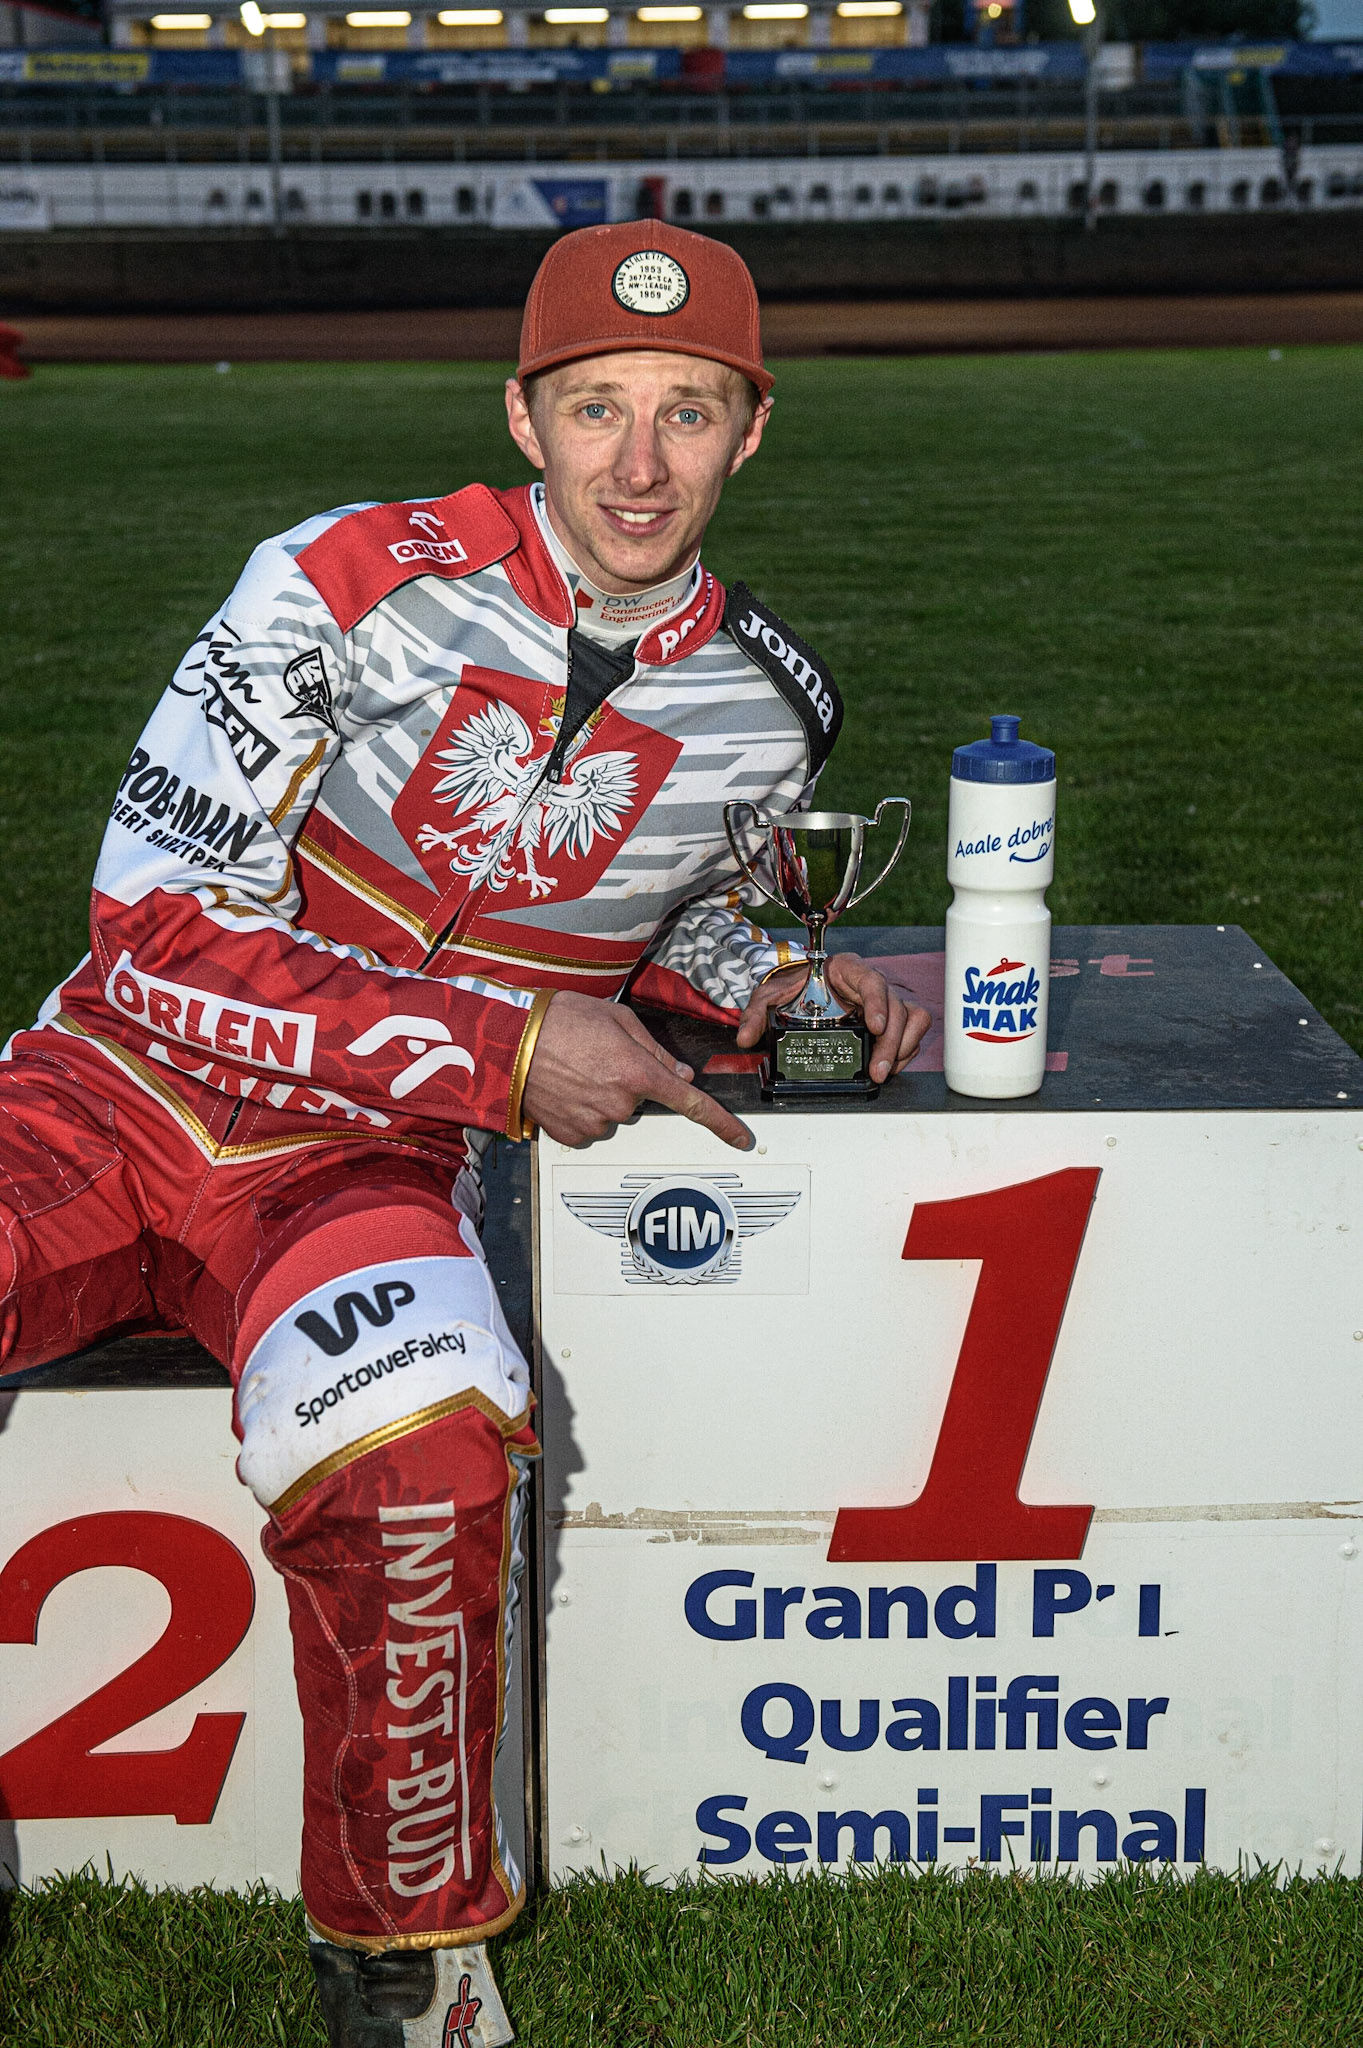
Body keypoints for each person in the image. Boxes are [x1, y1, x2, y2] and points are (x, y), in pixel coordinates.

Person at [0, 219, 929, 2047]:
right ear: (524, 414)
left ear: (756, 431)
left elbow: (664, 919)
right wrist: (502, 1048)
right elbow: (151, 921)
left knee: (427, 1459)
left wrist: (776, 984)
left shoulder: (774, 709)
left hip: (361, 1169)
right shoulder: (337, 578)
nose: (639, 465)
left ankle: (403, 1964)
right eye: (598, 409)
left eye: (688, 410)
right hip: (112, 1086)